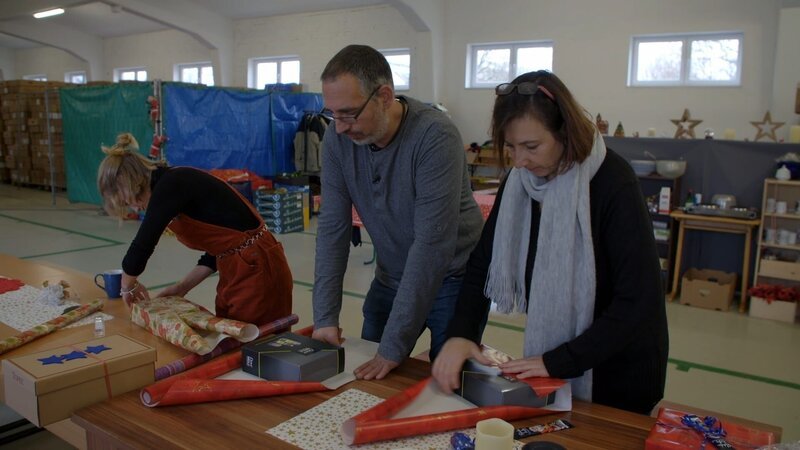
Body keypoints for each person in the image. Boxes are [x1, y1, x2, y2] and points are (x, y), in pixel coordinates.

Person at [432, 70, 668, 415]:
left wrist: (560, 361)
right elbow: (484, 261)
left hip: (618, 372)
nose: (519, 161)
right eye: (510, 147)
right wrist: (462, 333)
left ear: (565, 132)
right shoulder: (520, 181)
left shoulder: (612, 182)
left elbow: (639, 301)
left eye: (531, 146)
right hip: (558, 363)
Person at [312, 45, 483, 380]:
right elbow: (332, 228)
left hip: (453, 278)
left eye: (349, 113)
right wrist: (325, 318)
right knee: (368, 372)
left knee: (447, 384)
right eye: (332, 114)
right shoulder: (338, 138)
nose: (340, 127)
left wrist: (393, 348)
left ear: (385, 96)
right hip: (392, 276)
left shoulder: (435, 136)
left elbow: (431, 246)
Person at [97, 132, 293, 325]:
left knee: (254, 344)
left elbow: (141, 247)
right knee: (233, 336)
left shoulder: (171, 185)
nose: (136, 207)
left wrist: (126, 287)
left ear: (130, 183)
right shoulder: (171, 186)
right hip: (238, 268)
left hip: (259, 270)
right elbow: (217, 251)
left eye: (132, 201)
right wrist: (181, 287)